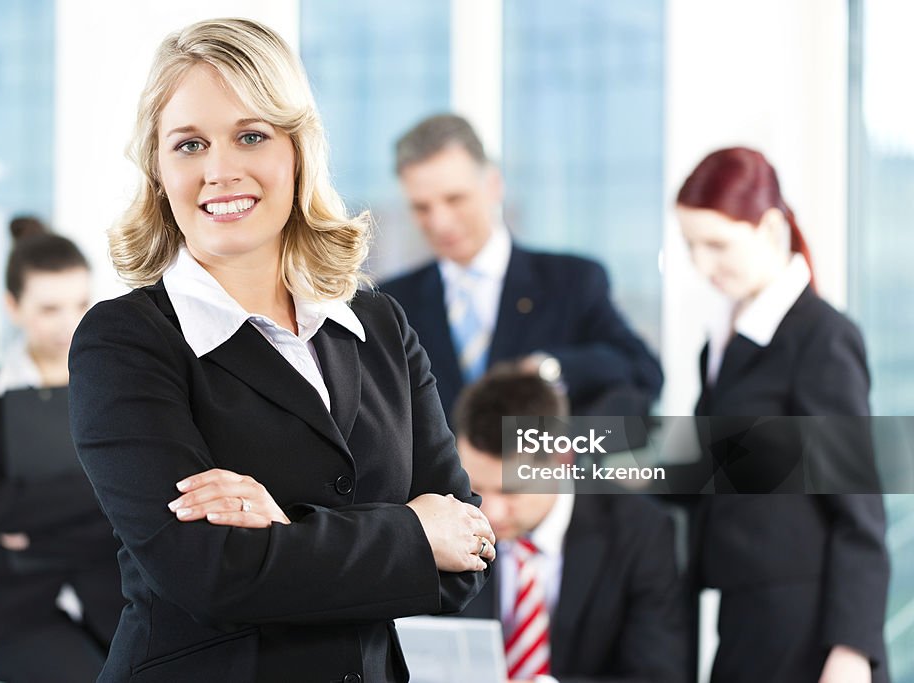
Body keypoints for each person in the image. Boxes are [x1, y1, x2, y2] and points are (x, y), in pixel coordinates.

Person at [66, 18, 494, 683]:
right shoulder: (123, 341)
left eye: (252, 135)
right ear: (157, 167)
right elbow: (209, 575)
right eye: (189, 144)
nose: (218, 170)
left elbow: (467, 553)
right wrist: (411, 534)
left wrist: (283, 533)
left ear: (297, 150)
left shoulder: (378, 325)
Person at [674, 147, 891, 682]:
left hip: (808, 630)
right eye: (691, 246)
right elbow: (698, 470)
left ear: (770, 228)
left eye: (717, 245)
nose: (703, 266)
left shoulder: (821, 338)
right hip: (745, 618)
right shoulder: (725, 341)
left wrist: (851, 648)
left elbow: (859, 507)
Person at [379, 113, 662, 422]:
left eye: (455, 199)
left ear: (493, 185)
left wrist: (548, 370)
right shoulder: (391, 303)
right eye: (422, 207)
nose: (439, 222)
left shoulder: (572, 282)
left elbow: (642, 370)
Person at [0, 217, 124, 683]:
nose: (70, 323)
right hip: (10, 618)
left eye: (81, 304)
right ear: (13, 306)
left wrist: (30, 523)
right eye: (49, 308)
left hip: (119, 608)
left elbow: (146, 497)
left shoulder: (120, 390)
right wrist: (97, 495)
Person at [452, 365, 688, 683]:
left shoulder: (640, 532)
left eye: (513, 490)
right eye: (476, 487)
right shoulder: (449, 520)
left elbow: (659, 675)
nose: (491, 512)